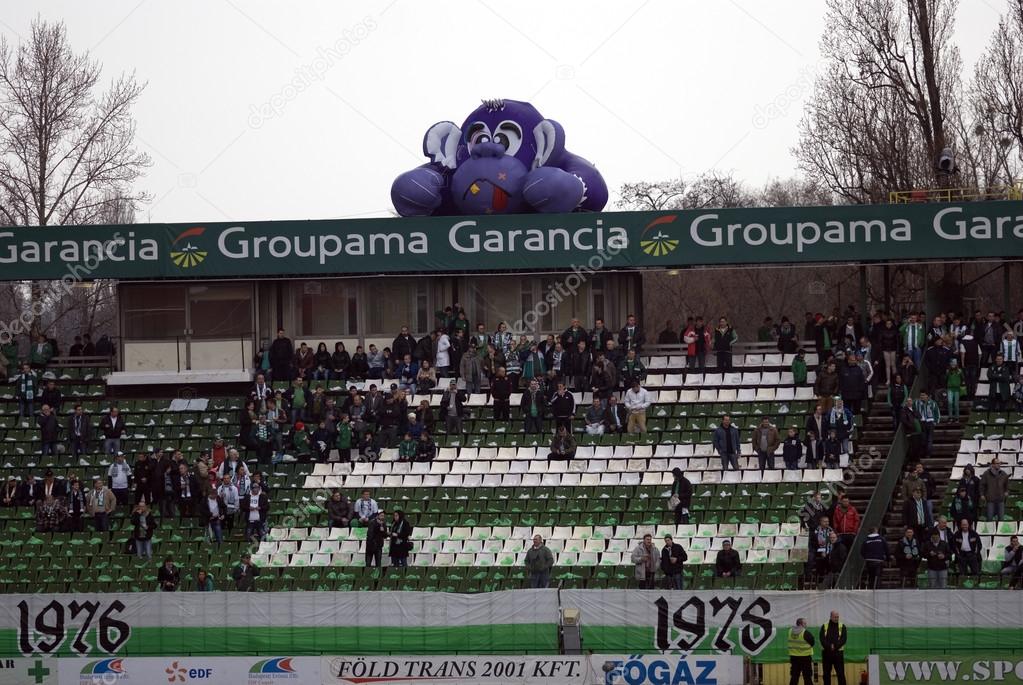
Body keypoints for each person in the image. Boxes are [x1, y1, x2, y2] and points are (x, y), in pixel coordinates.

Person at [819, 611, 848, 685]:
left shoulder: (842, 626)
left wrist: (835, 647)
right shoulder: (824, 625)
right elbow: (822, 639)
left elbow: (843, 639)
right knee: (826, 674)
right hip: (826, 654)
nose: (837, 618)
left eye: (837, 617)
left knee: (841, 674)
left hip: (838, 654)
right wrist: (829, 647)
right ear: (831, 617)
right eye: (835, 617)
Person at [787, 618, 815, 685]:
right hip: (805, 658)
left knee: (794, 677)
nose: (806, 625)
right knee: (807, 677)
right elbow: (812, 642)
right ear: (800, 624)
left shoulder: (790, 631)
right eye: (805, 623)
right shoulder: (805, 632)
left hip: (794, 658)